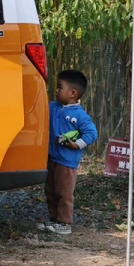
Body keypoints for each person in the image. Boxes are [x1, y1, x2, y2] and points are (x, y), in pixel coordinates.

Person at [39, 69, 96, 237]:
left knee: (63, 193)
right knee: (50, 191)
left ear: (72, 93)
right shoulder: (53, 107)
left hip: (67, 162)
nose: (56, 90)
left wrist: (76, 145)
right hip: (52, 158)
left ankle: (65, 223)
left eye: (60, 87)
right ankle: (54, 219)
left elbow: (92, 133)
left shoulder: (79, 115)